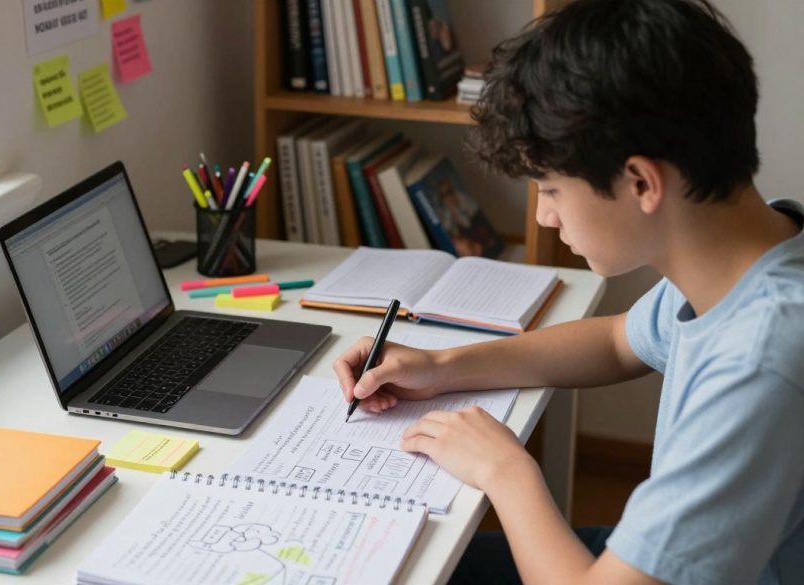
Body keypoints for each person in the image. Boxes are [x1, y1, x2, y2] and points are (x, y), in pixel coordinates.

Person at [333, 1, 804, 583]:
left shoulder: (761, 357)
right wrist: (441, 365)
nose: (548, 217)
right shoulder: (758, 255)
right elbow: (614, 341)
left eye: (550, 189)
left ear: (640, 181)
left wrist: (507, 469)